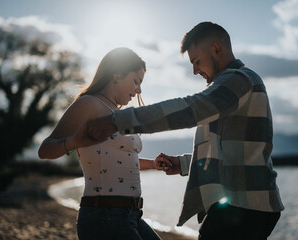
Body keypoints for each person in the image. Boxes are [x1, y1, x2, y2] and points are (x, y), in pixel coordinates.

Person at [76, 22, 285, 239]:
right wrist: (184, 163)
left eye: (196, 61)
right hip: (248, 203)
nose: (195, 71)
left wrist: (118, 121)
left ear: (217, 48)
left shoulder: (238, 80)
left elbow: (191, 109)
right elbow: (227, 149)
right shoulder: (235, 84)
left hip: (245, 204)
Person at [38, 47, 170, 240]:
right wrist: (74, 142)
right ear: (117, 75)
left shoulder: (118, 113)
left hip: (130, 215)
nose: (139, 90)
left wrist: (152, 164)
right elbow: (45, 149)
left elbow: (119, 159)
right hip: (104, 214)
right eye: (136, 81)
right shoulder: (89, 104)